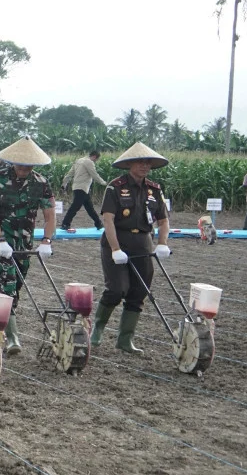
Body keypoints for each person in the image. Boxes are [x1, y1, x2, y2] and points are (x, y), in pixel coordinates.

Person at [91, 143, 171, 355]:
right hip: (117, 240)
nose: (145, 166)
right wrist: (115, 249)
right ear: (129, 164)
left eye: (148, 163)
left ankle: (125, 340)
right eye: (140, 162)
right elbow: (108, 220)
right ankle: (97, 328)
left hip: (143, 243)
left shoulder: (154, 189)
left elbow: (163, 221)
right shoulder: (115, 187)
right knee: (117, 289)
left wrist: (162, 243)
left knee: (139, 291)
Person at [0, 137, 56, 354]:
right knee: (8, 287)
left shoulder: (41, 183)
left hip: (25, 245)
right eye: (21, 163)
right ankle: (12, 339)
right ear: (13, 161)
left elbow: (50, 216)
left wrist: (46, 241)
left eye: (29, 163)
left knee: (16, 290)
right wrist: (1, 240)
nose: (24, 167)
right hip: (1, 243)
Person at [60, 151, 108, 231]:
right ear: (95, 157)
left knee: (90, 208)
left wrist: (64, 184)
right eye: (97, 159)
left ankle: (98, 224)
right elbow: (94, 175)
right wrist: (104, 183)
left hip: (78, 188)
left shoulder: (79, 161)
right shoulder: (89, 162)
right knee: (75, 207)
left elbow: (69, 174)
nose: (96, 161)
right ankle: (65, 224)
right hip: (82, 188)